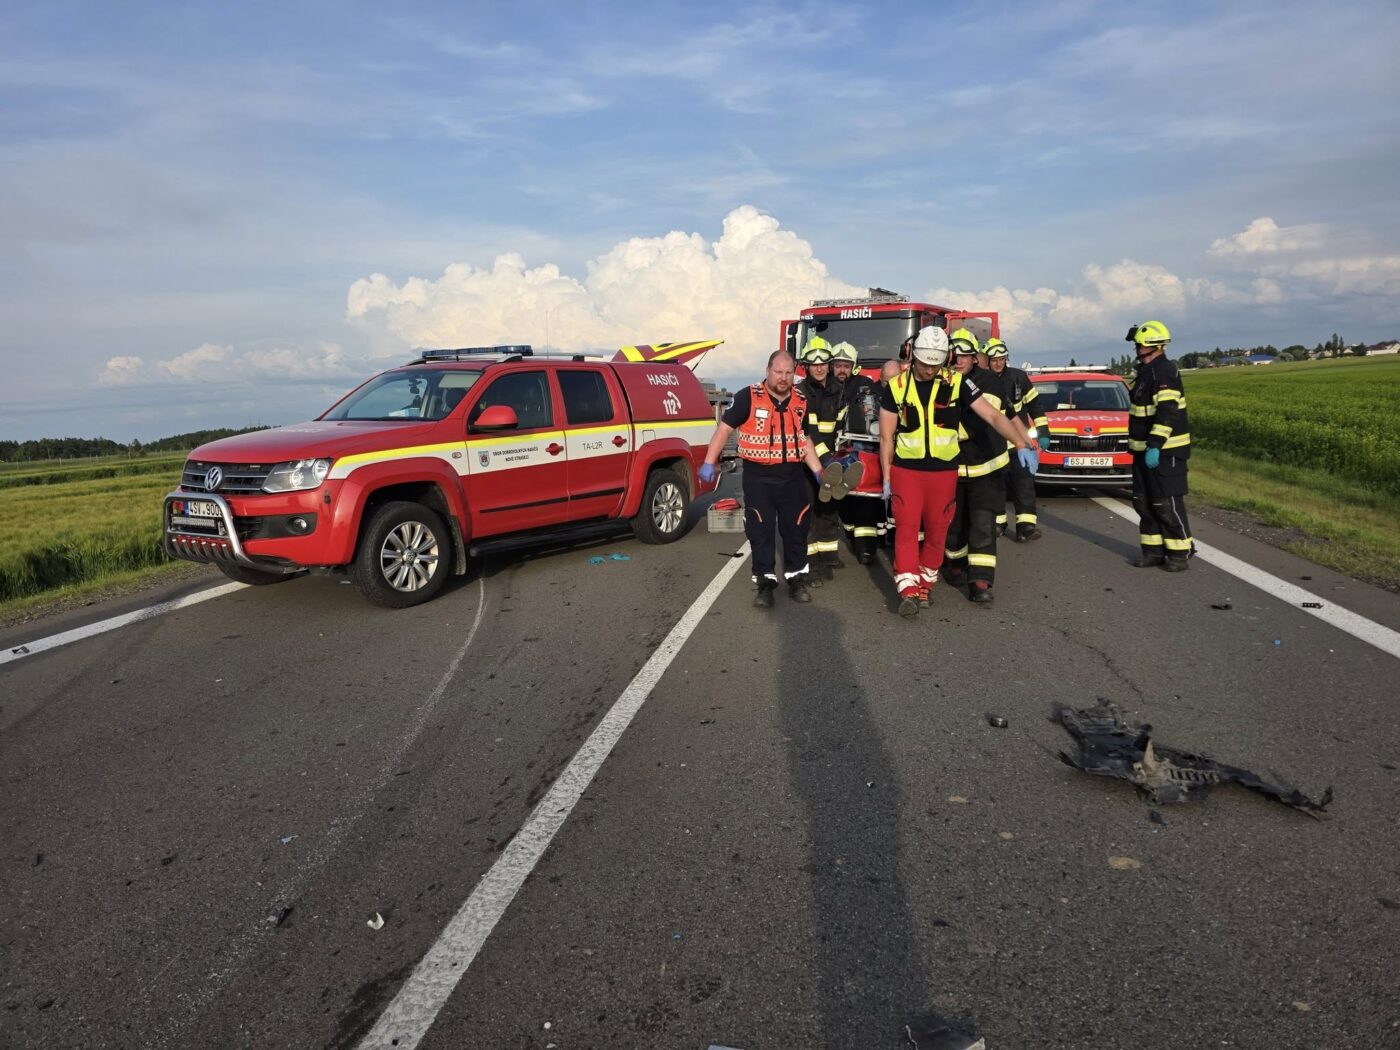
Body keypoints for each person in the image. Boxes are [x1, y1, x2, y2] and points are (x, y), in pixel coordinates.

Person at [879, 327, 1038, 618]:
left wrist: (1021, 442)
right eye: (924, 363)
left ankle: (926, 582)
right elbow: (887, 437)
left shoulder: (958, 383)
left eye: (935, 364)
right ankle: (907, 589)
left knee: (938, 532)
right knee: (907, 528)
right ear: (913, 356)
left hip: (943, 473)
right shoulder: (896, 387)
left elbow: (991, 414)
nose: (929, 370)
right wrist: (887, 476)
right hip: (907, 471)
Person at [701, 350, 829, 606]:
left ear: (794, 374)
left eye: (788, 373)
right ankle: (765, 584)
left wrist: (817, 470)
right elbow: (724, 429)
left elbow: (805, 440)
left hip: (792, 478)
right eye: (778, 372)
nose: (783, 378)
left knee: (796, 531)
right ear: (767, 371)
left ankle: (796, 580)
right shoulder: (748, 397)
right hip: (758, 478)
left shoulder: (802, 400)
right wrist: (709, 461)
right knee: (761, 532)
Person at [942, 338, 1017, 603]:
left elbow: (981, 420)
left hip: (986, 466)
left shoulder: (989, 382)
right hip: (952, 468)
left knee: (983, 524)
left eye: (966, 355)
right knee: (954, 524)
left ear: (975, 358)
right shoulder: (942, 381)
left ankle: (981, 581)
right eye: (955, 355)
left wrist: (942, 433)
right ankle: (956, 565)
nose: (959, 360)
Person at [1126, 320, 1194, 570]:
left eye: (1139, 345)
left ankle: (1180, 553)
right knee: (1143, 502)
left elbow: (1167, 412)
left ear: (1152, 346)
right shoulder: (1145, 372)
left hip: (1166, 452)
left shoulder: (1164, 372)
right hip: (1143, 451)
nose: (1136, 350)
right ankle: (1153, 551)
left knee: (1165, 503)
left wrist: (1155, 444)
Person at [797, 338, 860, 582]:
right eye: (814, 364)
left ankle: (828, 554)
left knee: (830, 506)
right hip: (806, 463)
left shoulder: (838, 390)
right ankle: (810, 563)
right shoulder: (801, 393)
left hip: (831, 458)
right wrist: (826, 459)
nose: (820, 368)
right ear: (806, 367)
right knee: (809, 509)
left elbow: (842, 427)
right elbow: (809, 434)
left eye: (824, 363)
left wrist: (843, 456)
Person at [985, 338, 1050, 541]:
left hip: (1018, 443)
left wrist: (1043, 431)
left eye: (1002, 359)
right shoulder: (983, 380)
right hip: (993, 444)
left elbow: (1035, 406)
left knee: (1024, 484)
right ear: (987, 360)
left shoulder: (1019, 377)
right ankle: (999, 523)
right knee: (997, 487)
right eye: (994, 360)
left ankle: (1026, 526)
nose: (998, 363)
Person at [829, 341, 883, 565]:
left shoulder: (864, 387)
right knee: (843, 504)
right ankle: (852, 535)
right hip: (834, 449)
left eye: (846, 365)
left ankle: (866, 549)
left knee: (865, 499)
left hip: (860, 449)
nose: (842, 370)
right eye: (838, 365)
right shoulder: (826, 387)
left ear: (854, 366)